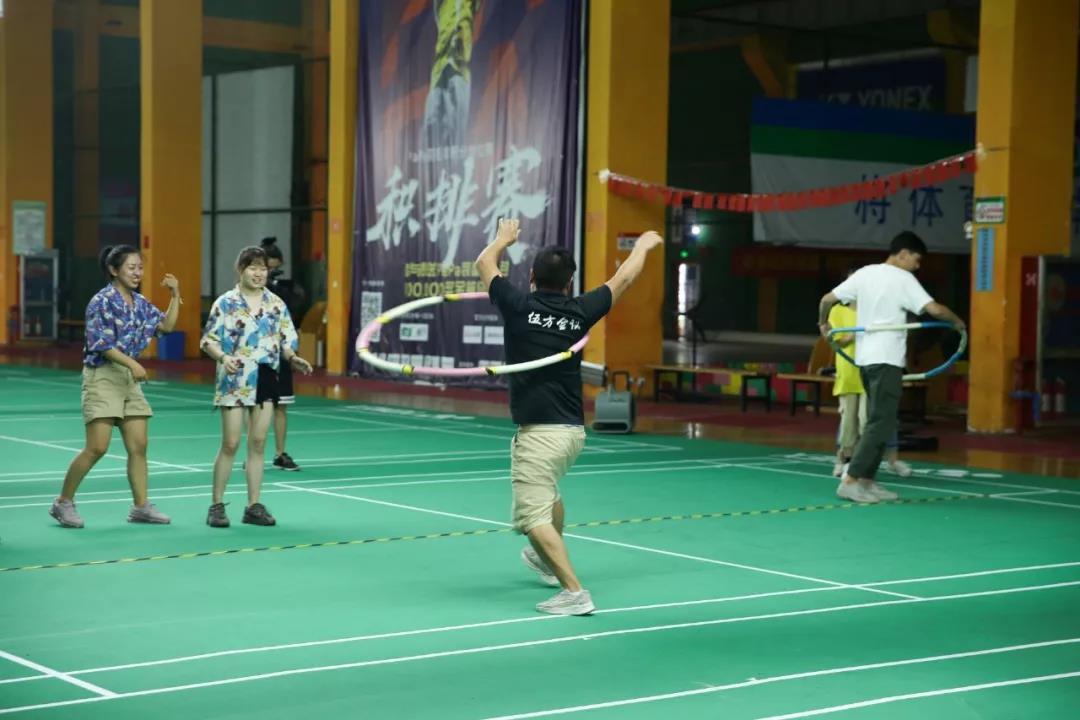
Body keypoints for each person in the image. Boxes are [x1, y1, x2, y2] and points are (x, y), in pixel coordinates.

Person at [477, 218, 664, 616]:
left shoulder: (518, 305)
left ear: (531, 277)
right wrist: (643, 245)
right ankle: (545, 561)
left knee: (532, 518)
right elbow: (624, 278)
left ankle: (575, 593)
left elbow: (484, 263)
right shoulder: (581, 311)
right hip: (572, 433)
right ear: (570, 282)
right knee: (550, 494)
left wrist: (503, 239)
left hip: (539, 436)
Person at [818, 232, 965, 504]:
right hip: (885, 360)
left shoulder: (865, 273)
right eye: (916, 260)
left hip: (866, 361)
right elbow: (934, 309)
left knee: (882, 422)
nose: (917, 266)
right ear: (903, 254)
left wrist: (822, 324)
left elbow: (826, 299)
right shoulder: (903, 279)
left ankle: (867, 481)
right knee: (880, 422)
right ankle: (851, 480)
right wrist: (958, 323)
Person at [49, 245, 181, 528]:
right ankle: (63, 502)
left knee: (139, 446)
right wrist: (133, 364)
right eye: (131, 267)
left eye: (140, 267)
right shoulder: (101, 301)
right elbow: (101, 344)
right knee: (97, 447)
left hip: (128, 379)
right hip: (103, 375)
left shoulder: (140, 303)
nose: (137, 273)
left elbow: (166, 327)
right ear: (113, 270)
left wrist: (175, 294)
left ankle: (141, 507)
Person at [200, 246, 313, 528]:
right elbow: (208, 340)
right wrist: (223, 358)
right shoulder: (225, 303)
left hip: (265, 375)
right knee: (231, 443)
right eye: (253, 268)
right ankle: (216, 505)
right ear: (241, 270)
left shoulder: (276, 303)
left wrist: (293, 358)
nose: (259, 273)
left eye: (263, 268)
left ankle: (253, 506)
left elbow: (286, 339)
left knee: (259, 443)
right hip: (234, 375)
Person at [829, 276, 912, 480]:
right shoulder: (837, 310)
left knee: (870, 420)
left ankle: (881, 462)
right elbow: (836, 341)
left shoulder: (877, 310)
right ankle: (843, 460)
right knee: (848, 421)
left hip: (873, 371)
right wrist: (858, 332)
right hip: (849, 372)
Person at [260, 237, 306, 471]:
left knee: (281, 406)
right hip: (256, 359)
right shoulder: (243, 296)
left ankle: (280, 454)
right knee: (256, 408)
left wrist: (292, 355)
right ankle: (253, 453)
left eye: (276, 268)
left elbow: (289, 324)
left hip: (281, 357)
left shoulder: (282, 293)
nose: (272, 273)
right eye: (269, 268)